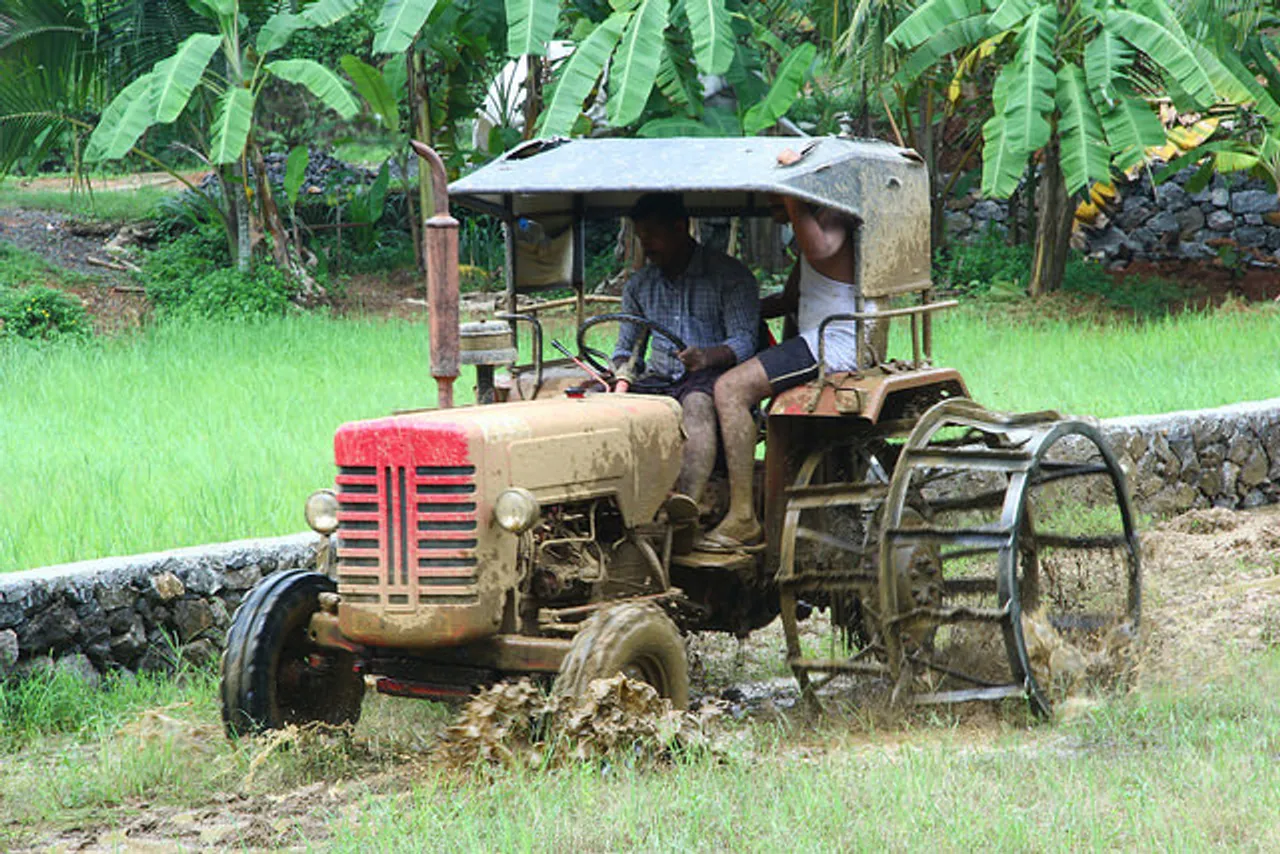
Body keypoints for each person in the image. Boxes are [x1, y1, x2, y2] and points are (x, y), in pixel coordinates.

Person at [699, 194, 880, 551]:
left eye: (776, 201)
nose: (773, 211)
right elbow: (788, 299)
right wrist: (736, 313)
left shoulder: (833, 220)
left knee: (730, 390)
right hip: (817, 338)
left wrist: (793, 201)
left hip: (834, 343)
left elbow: (821, 250)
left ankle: (743, 518)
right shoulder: (810, 240)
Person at [612, 193, 759, 505]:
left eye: (652, 235)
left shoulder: (730, 276)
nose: (646, 245)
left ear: (680, 228)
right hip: (659, 379)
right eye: (641, 237)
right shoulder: (639, 286)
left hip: (712, 379)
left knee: (695, 405)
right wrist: (621, 376)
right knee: (596, 406)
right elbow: (626, 348)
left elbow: (745, 342)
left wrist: (705, 356)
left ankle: (686, 505)